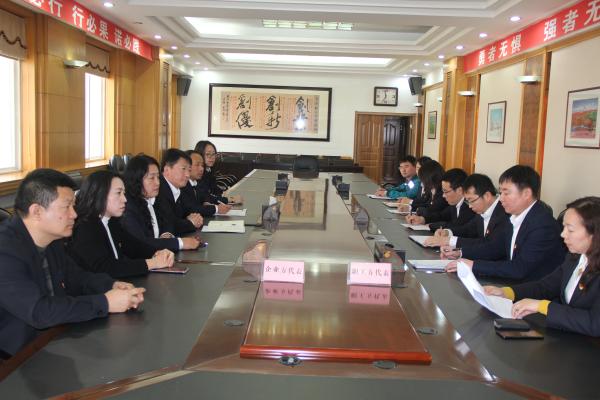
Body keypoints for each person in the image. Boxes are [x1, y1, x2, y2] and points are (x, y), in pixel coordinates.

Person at [0, 169, 145, 358]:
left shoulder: (51, 239)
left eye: (73, 206)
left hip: (55, 338)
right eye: (66, 207)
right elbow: (38, 311)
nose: (74, 214)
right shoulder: (5, 251)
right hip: (15, 359)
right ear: (37, 211)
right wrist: (105, 302)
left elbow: (77, 277)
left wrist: (111, 285)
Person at [484, 197, 600, 337]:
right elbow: (545, 286)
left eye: (570, 230)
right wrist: (506, 293)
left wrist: (542, 306)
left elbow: (595, 323)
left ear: (595, 234)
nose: (563, 234)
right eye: (564, 227)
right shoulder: (575, 257)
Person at [445, 165, 565, 281]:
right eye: (501, 192)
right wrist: (460, 252)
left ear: (526, 194)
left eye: (506, 193)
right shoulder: (514, 217)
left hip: (532, 290)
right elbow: (495, 247)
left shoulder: (542, 225)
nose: (501, 198)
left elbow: (519, 268)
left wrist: (474, 265)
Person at [67, 170, 174, 278]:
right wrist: (152, 263)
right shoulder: (85, 227)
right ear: (100, 194)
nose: (125, 199)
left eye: (124, 193)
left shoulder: (111, 221)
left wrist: (156, 252)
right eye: (118, 193)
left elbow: (133, 246)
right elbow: (105, 268)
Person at [121, 154, 201, 253]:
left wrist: (166, 234)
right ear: (137, 180)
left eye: (158, 177)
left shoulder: (155, 198)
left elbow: (169, 221)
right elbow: (142, 243)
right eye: (152, 178)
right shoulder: (128, 207)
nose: (158, 182)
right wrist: (180, 243)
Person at [424, 173, 509, 247]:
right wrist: (447, 232)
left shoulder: (504, 213)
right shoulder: (482, 211)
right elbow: (467, 230)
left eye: (471, 201)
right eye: (468, 201)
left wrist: (450, 241)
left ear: (487, 196)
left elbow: (490, 245)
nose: (470, 206)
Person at [407, 168, 475, 231]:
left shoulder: (469, 207)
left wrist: (431, 225)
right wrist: (422, 219)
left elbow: (456, 226)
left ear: (459, 190)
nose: (443, 195)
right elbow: (441, 215)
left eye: (446, 192)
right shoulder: (454, 204)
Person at [155, 149, 204, 235]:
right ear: (167, 170)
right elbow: (168, 226)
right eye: (183, 169)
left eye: (189, 170)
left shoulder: (177, 189)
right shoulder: (159, 190)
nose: (187, 175)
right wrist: (191, 223)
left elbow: (187, 212)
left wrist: (195, 218)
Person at [182, 150, 231, 217]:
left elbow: (207, 197)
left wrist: (207, 202)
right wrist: (216, 209)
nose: (201, 169)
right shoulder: (182, 185)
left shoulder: (196, 183)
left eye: (202, 165)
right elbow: (191, 209)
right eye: (197, 165)